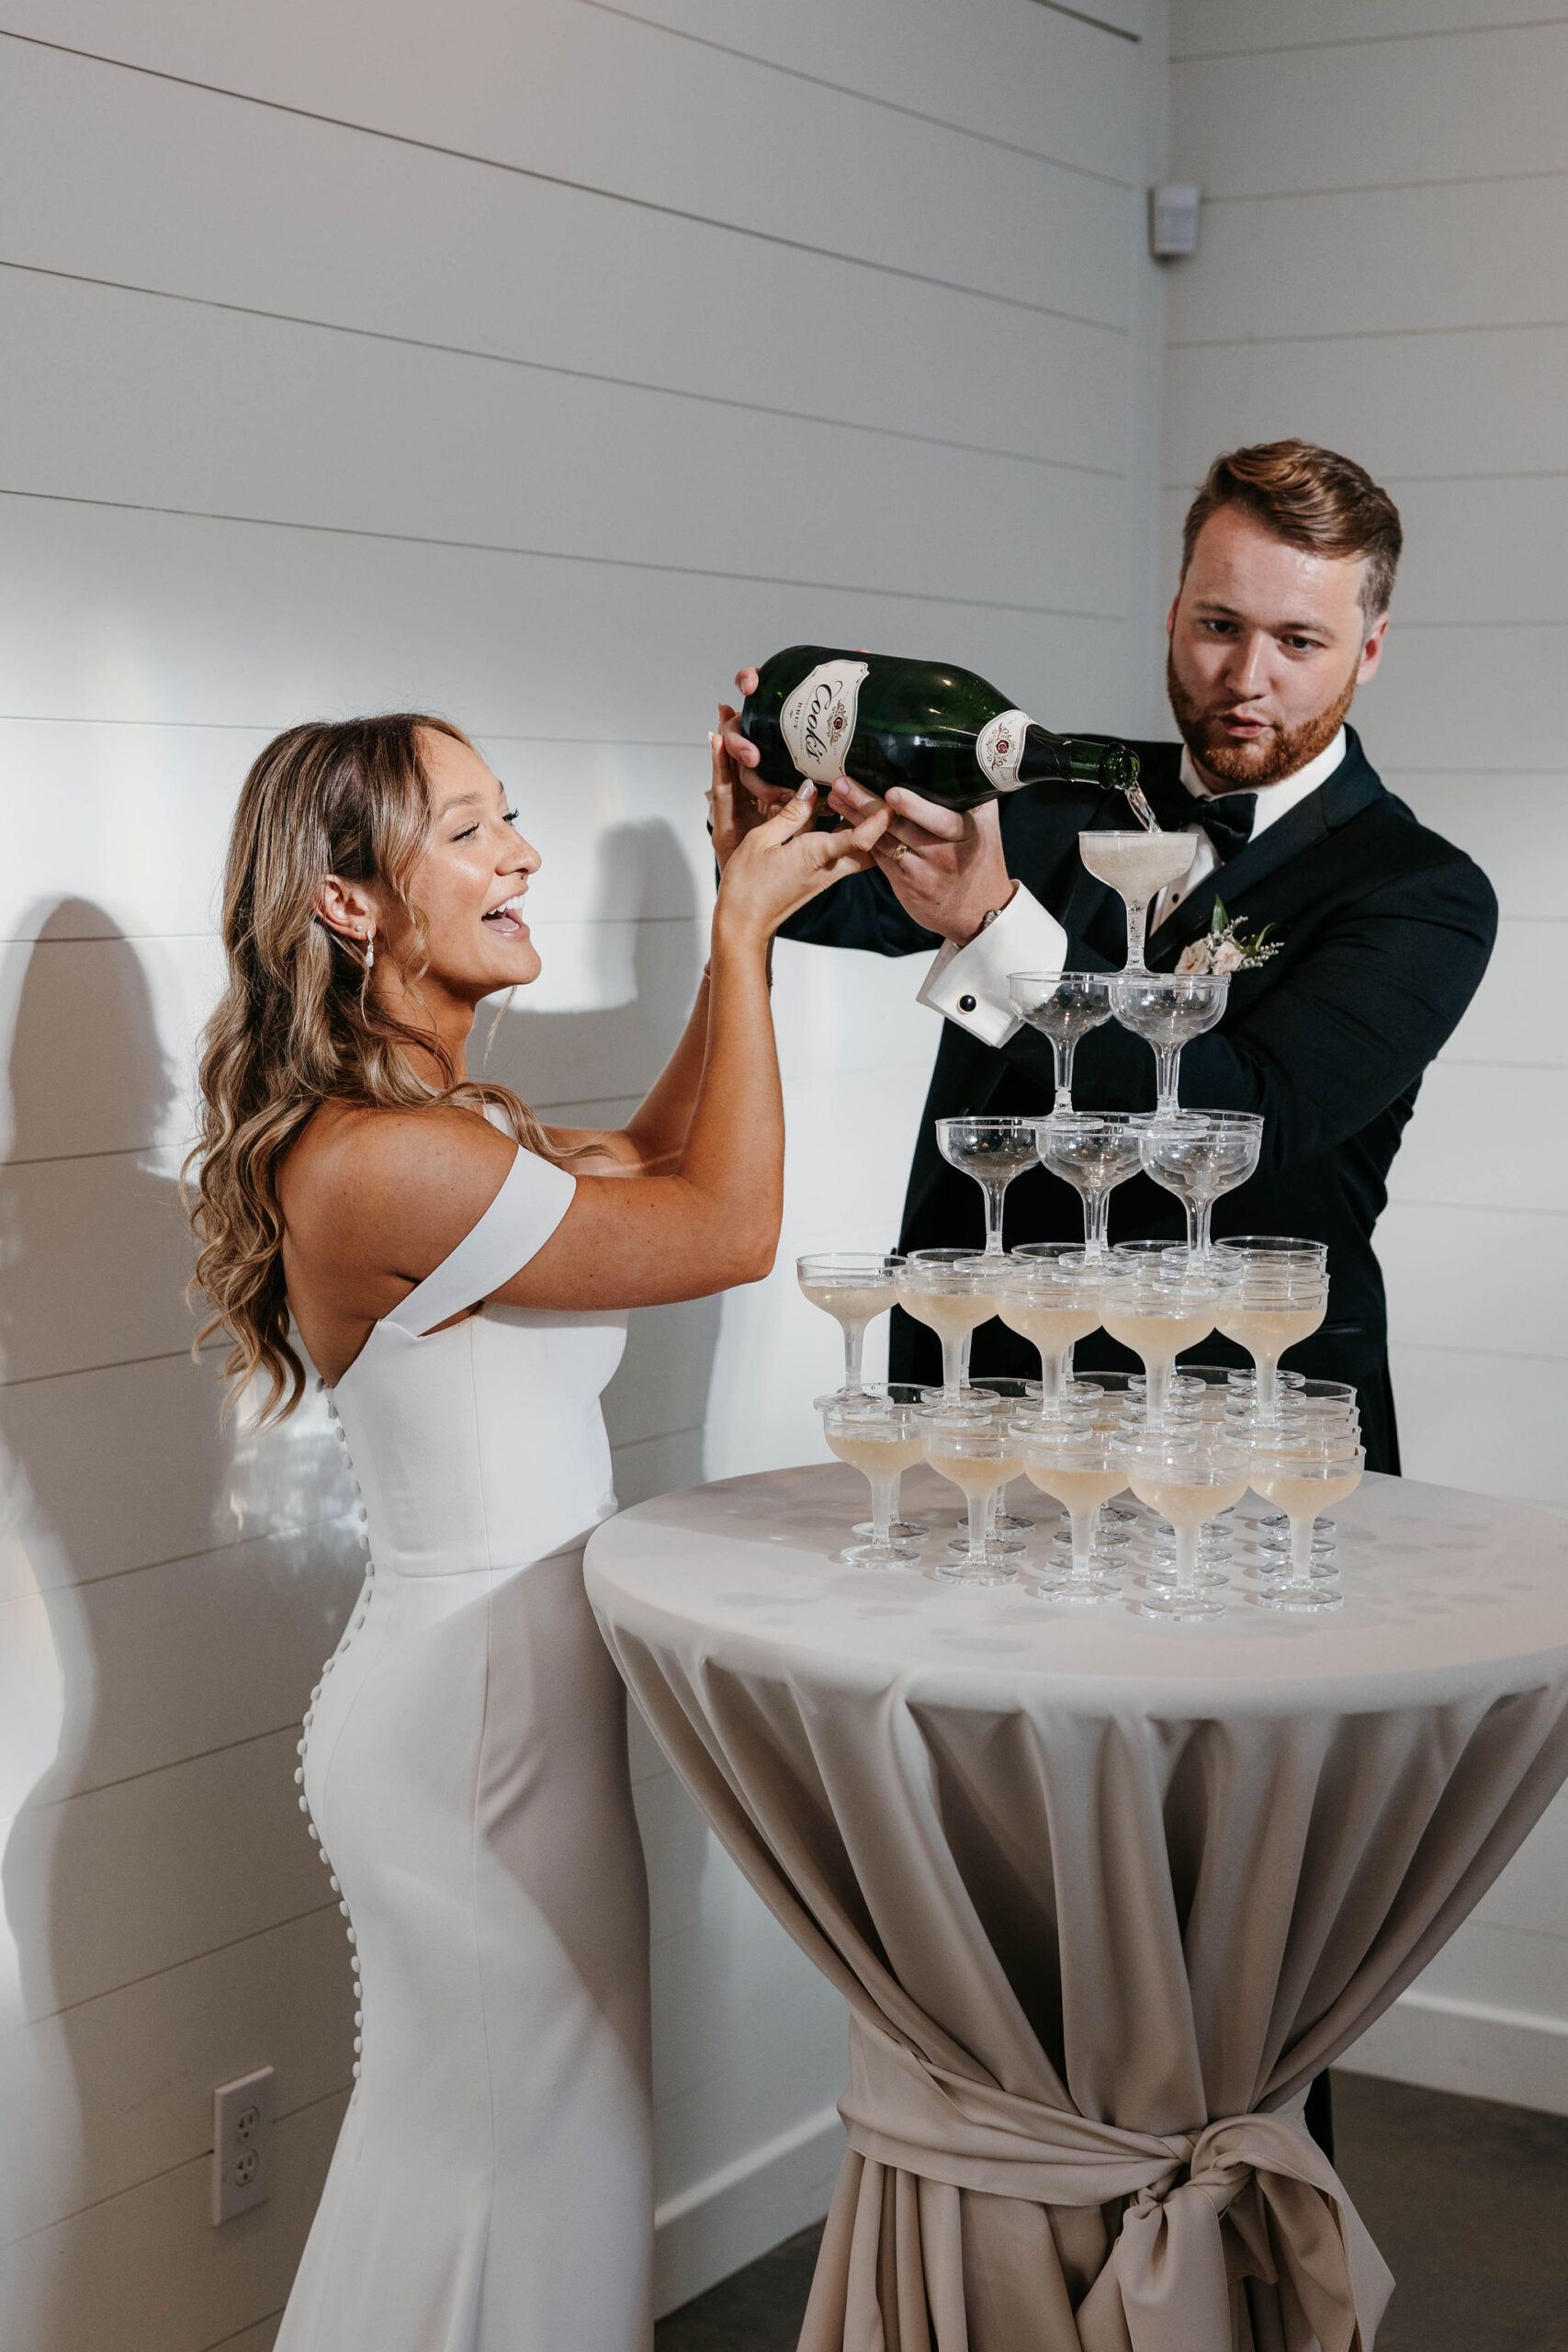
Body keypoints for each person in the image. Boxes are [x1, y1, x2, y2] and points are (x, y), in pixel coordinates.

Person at [186, 714, 886, 2352]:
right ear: (349, 901)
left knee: (529, 2160)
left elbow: (653, 1163)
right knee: (508, 2159)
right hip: (471, 1727)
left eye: (512, 821)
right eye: (468, 830)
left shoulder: (447, 1130)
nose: (519, 855)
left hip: (507, 1712)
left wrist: (743, 926)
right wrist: (734, 928)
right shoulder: (381, 1163)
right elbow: (724, 1228)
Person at [714, 440, 1498, 1477]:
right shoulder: (1057, 789)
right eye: (1219, 625)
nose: (1245, 678)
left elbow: (1244, 1121)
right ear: (1175, 610)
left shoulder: (1419, 890)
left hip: (1239, 1432)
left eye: (1298, 640)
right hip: (980, 1399)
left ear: (1371, 647)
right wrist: (762, 838)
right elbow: (846, 904)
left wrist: (996, 923)